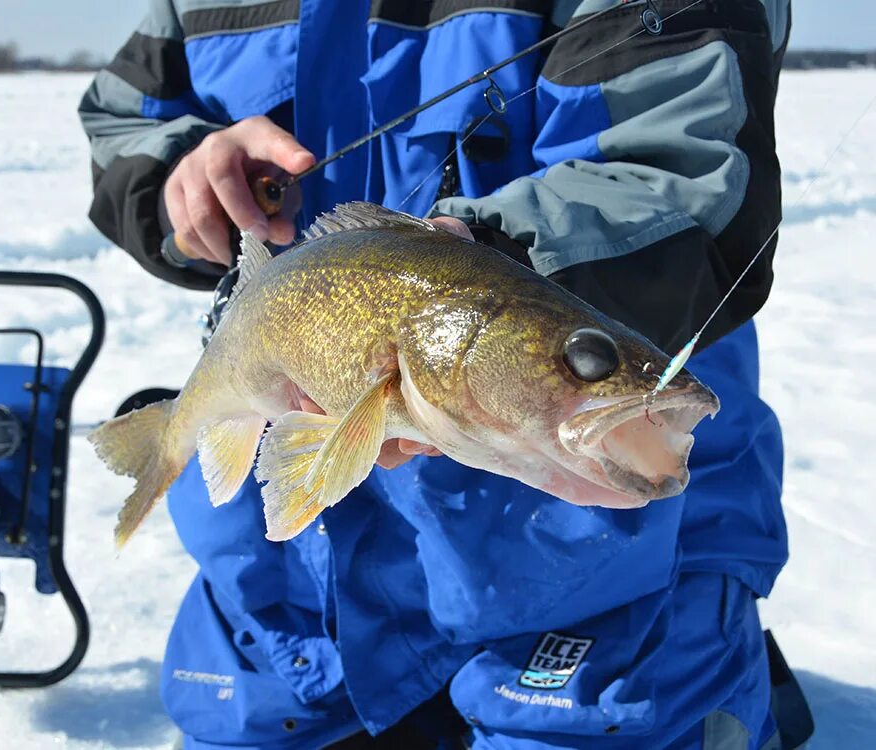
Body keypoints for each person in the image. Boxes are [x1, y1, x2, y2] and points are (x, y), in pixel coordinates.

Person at [79, 1, 794, 747]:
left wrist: (491, 255)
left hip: (594, 579)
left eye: (583, 362)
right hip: (284, 597)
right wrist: (183, 181)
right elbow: (117, 123)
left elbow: (684, 166)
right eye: (584, 363)